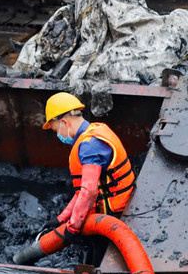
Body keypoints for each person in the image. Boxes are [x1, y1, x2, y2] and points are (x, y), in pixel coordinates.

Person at [42, 92, 135, 233]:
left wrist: (72, 228)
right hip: (126, 202)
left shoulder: (90, 145)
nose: (58, 135)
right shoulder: (96, 130)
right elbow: (82, 190)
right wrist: (61, 218)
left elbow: (89, 191)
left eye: (56, 130)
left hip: (117, 215)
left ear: (64, 122)